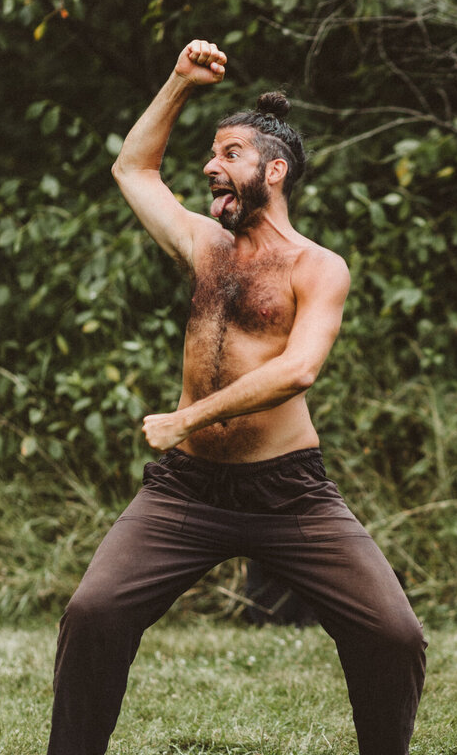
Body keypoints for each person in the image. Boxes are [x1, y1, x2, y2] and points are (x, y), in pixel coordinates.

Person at [47, 40, 426, 755]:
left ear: (273, 171)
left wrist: (188, 416)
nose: (210, 169)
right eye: (210, 156)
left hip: (288, 492)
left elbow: (299, 370)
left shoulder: (319, 267)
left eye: (227, 155)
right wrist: (179, 81)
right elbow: (134, 167)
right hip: (186, 490)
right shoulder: (202, 245)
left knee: (392, 635)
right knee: (94, 613)